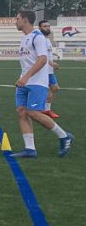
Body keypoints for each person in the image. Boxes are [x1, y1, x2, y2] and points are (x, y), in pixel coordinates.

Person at [11, 10, 73, 158]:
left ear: (25, 20)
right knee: (21, 111)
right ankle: (30, 149)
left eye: (17, 18)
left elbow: (42, 60)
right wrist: (23, 77)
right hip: (24, 82)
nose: (16, 21)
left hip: (36, 82)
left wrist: (26, 77)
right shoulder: (24, 38)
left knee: (33, 113)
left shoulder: (38, 37)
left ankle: (64, 136)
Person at [39, 20, 61, 119]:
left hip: (49, 70)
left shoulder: (47, 40)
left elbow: (48, 54)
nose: (47, 28)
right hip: (43, 70)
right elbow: (41, 55)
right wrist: (51, 63)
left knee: (55, 88)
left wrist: (52, 62)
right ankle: (45, 110)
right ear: (40, 28)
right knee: (47, 90)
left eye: (48, 26)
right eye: (45, 26)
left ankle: (45, 109)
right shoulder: (40, 40)